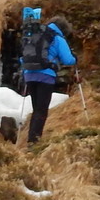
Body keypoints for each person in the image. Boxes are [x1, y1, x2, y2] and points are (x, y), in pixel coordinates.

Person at [20, 14, 75, 145]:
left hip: (29, 74)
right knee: (42, 110)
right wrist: (75, 58)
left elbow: (23, 56)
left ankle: (32, 139)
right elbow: (68, 59)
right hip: (45, 76)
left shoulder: (35, 34)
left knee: (36, 109)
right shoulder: (57, 37)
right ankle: (34, 141)